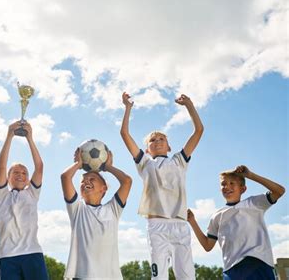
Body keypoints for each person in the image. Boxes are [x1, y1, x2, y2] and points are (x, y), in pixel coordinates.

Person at [120, 92, 204, 280]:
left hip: (180, 224)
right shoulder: (145, 163)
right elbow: (124, 134)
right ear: (147, 149)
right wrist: (127, 108)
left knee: (187, 276)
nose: (157, 141)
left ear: (168, 147)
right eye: (152, 140)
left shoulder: (179, 161)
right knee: (159, 276)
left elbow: (198, 130)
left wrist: (189, 105)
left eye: (161, 139)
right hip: (156, 225)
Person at [187, 165, 285, 280]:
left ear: (243, 189)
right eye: (223, 184)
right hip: (232, 270)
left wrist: (251, 175)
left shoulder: (254, 203)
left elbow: (279, 191)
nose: (227, 186)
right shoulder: (217, 216)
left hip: (258, 263)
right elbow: (208, 245)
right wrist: (192, 221)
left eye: (232, 183)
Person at [61, 148, 132, 279]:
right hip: (81, 276)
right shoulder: (77, 209)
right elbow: (65, 177)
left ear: (103, 189)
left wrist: (109, 167)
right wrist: (77, 165)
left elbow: (127, 181)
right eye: (83, 181)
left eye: (92, 178)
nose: (86, 181)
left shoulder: (112, 210)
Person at [0, 121, 48, 280]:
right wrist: (9, 135)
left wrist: (30, 138)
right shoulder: (2, 195)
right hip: (8, 256)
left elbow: (39, 166)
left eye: (24, 173)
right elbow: (1, 166)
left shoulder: (32, 193)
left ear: (28, 180)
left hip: (32, 253)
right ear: (8, 178)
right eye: (15, 172)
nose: (20, 175)